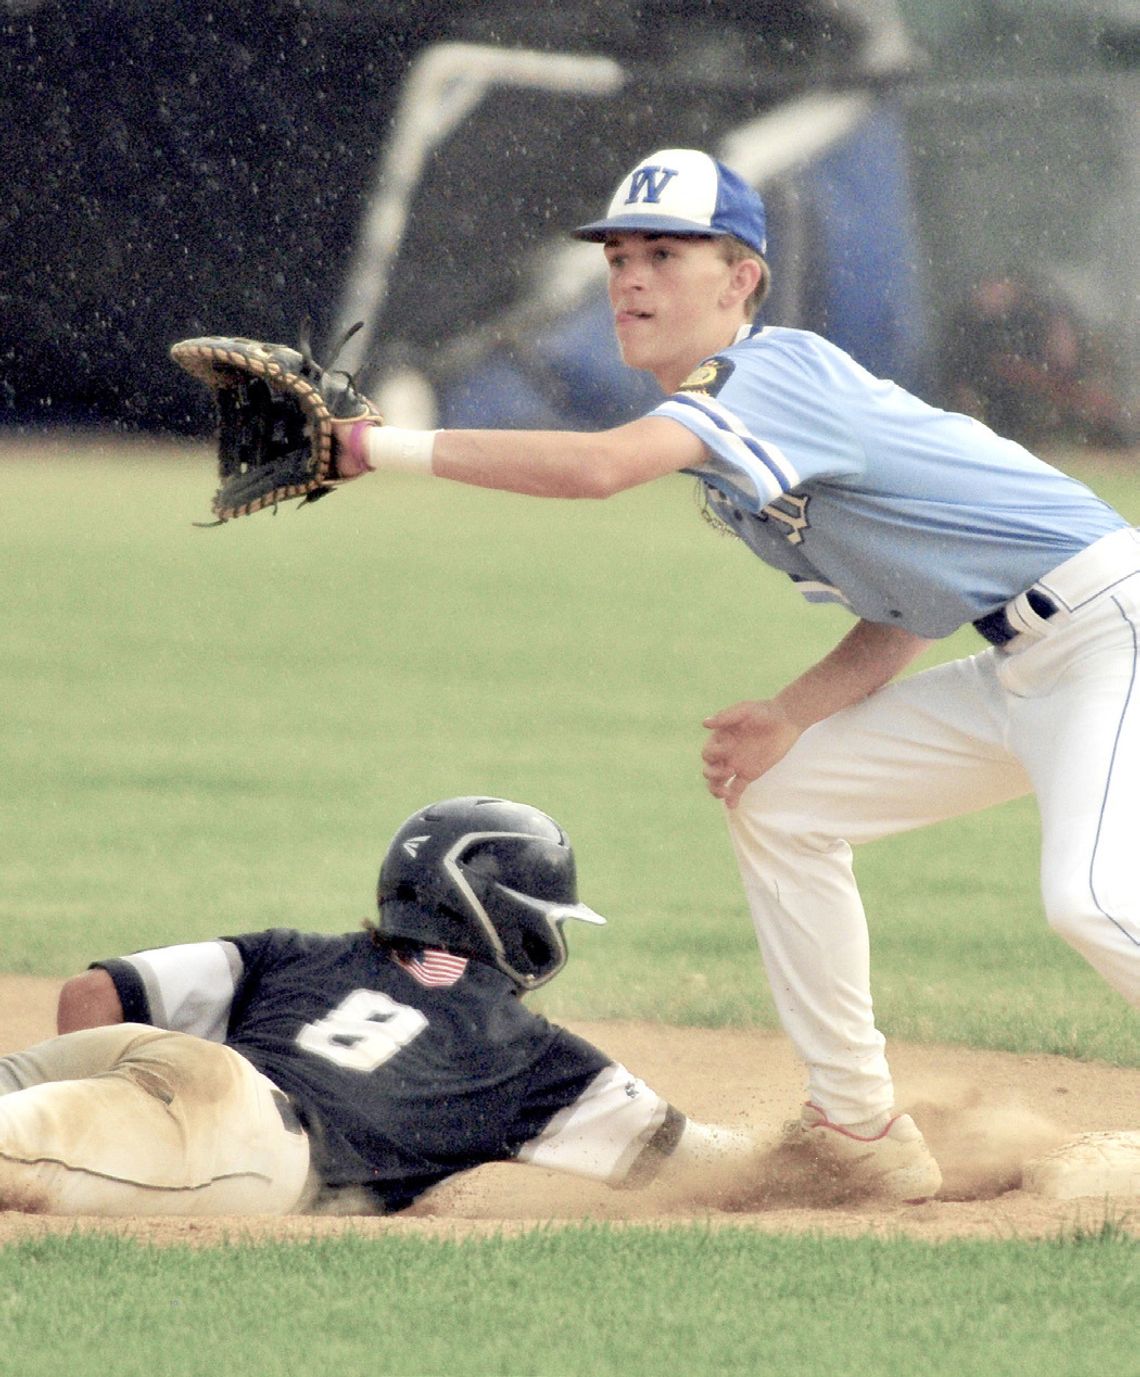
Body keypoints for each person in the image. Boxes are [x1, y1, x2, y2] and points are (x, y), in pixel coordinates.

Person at [328, 148, 1139, 1202]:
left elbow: (598, 469)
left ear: (741, 278)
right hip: (1028, 659)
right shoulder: (732, 453)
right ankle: (858, 1132)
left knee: (1091, 902)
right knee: (785, 794)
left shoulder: (772, 376)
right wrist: (791, 717)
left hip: (1113, 628)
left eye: (665, 254)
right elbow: (905, 615)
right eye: (618, 256)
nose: (630, 280)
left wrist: (375, 447)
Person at [0, 796, 757, 1216]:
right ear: (513, 919)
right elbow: (707, 1163)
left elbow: (92, 996)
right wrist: (839, 1149)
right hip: (251, 1140)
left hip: (157, 1063)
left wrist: (114, 1101)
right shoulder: (533, 1053)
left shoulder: (296, 951)